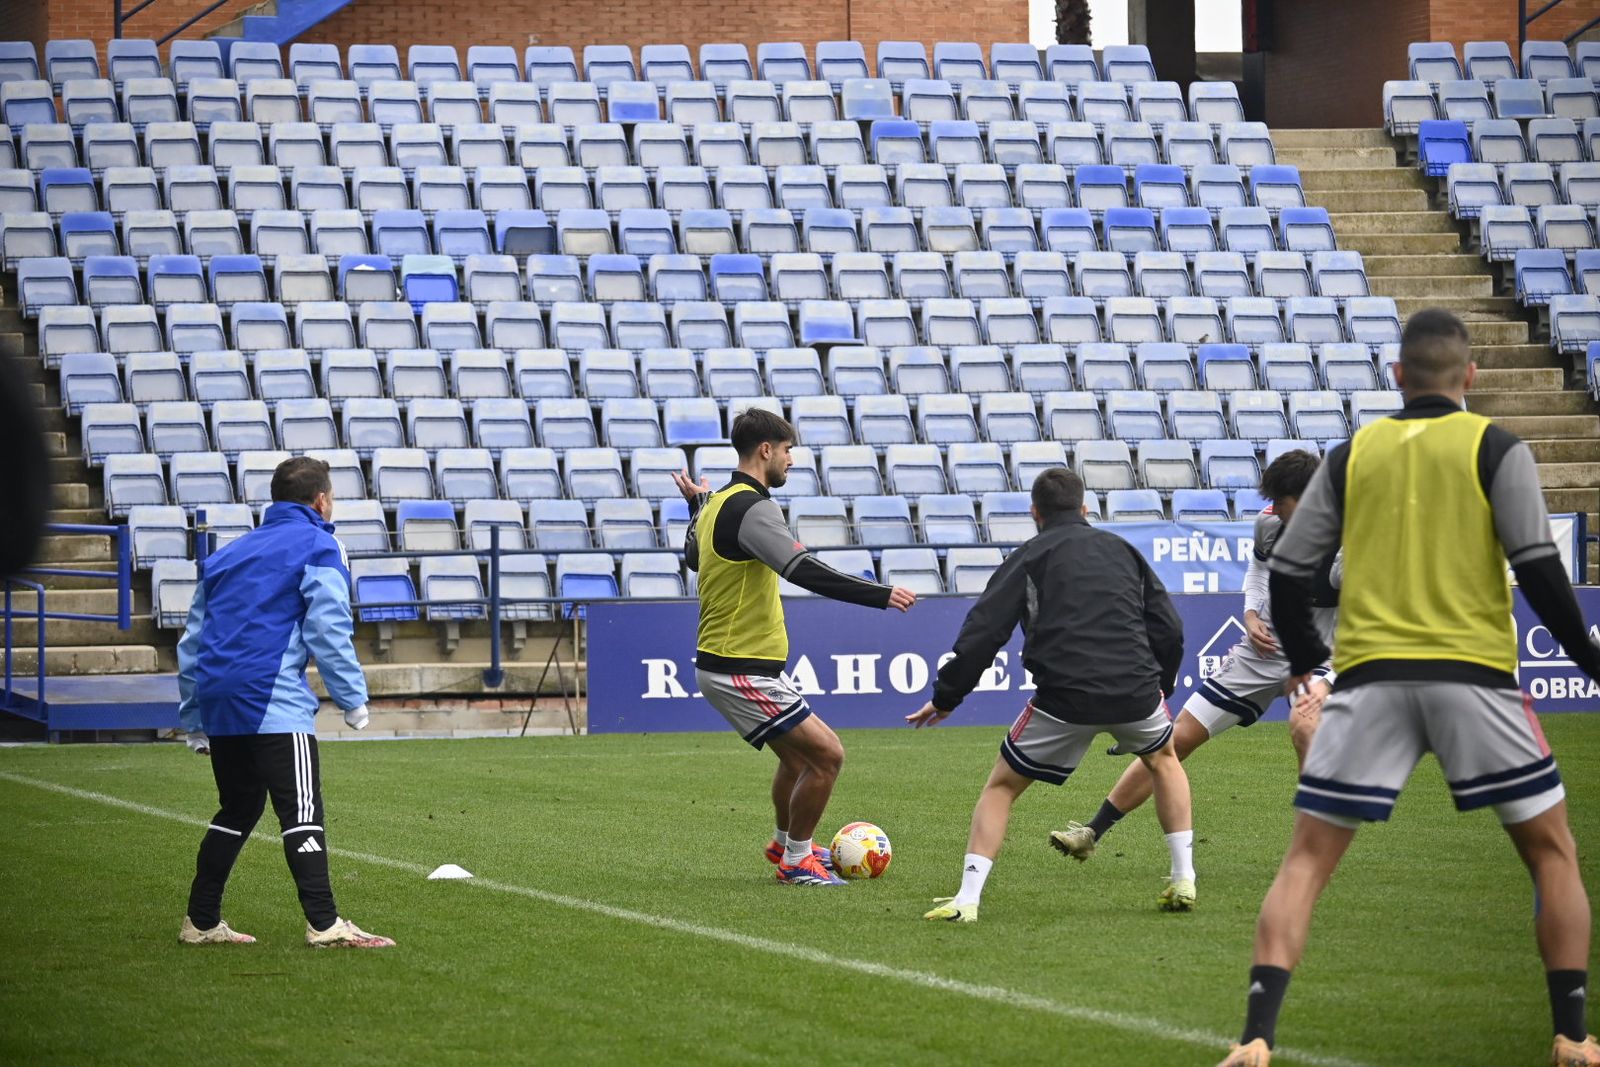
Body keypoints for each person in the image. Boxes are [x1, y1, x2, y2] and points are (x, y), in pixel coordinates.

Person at [1217, 309, 1600, 1067]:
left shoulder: (1354, 452)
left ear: (1397, 377)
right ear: (1471, 377)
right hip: (1478, 678)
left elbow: (1291, 569)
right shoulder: (1497, 447)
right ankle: (1572, 1034)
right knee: (1552, 852)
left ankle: (1255, 1037)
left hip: (1370, 681)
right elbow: (1540, 570)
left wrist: (1303, 663)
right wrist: (1591, 661)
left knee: (1306, 861)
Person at [907, 468, 1194, 921]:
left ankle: (967, 899)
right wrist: (1165, 683)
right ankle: (1183, 877)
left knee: (1001, 787)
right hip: (1136, 691)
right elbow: (1170, 628)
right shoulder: (1122, 551)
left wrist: (946, 698)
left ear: (1035, 513)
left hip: (1064, 698)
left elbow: (982, 634)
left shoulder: (1027, 557)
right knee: (1164, 760)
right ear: (1085, 509)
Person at [1050, 451, 1341, 865]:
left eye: (1281, 500)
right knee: (1172, 741)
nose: (1272, 508)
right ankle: (1092, 831)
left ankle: (1313, 844)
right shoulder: (1270, 524)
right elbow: (1258, 571)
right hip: (1263, 651)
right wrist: (1252, 613)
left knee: (1304, 725)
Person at [674, 409, 918, 887]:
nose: (790, 460)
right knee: (828, 757)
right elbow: (801, 569)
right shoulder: (750, 505)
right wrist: (879, 594)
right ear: (766, 450)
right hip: (737, 666)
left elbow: (691, 557)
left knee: (797, 760)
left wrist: (696, 506)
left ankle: (784, 843)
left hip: (736, 663)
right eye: (787, 451)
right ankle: (796, 861)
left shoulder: (716, 503)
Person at [178, 457, 393, 949]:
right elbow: (328, 626)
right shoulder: (320, 543)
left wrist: (194, 717)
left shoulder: (227, 555)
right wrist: (352, 699)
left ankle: (201, 921)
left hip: (220, 697)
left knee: (237, 809)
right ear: (322, 500)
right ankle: (325, 924)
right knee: (301, 812)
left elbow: (193, 641)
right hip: (271, 697)